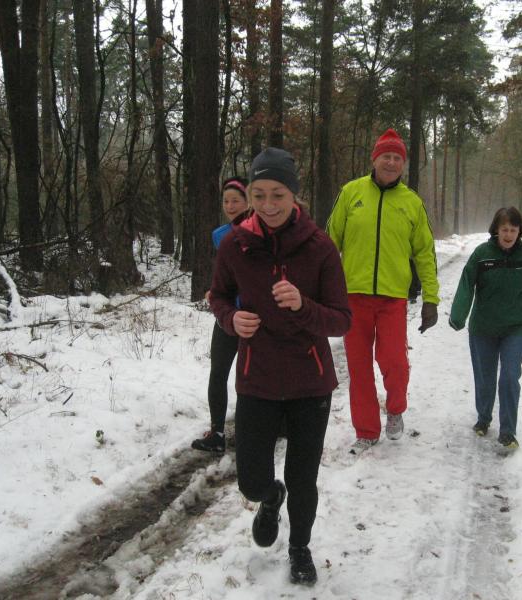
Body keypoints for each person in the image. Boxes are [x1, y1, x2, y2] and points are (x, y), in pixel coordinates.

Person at [209, 147, 351, 585]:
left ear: (294, 195)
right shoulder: (235, 244)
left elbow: (341, 319)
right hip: (258, 379)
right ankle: (270, 498)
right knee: (251, 481)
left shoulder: (320, 247)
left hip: (311, 382)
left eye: (278, 195)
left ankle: (300, 548)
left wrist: (303, 306)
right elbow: (217, 295)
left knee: (303, 478)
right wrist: (231, 318)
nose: (268, 205)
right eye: (259, 195)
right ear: (249, 195)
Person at [326, 128, 439, 453]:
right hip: (353, 297)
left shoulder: (411, 203)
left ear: (403, 164)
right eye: (385, 156)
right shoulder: (351, 193)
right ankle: (366, 430)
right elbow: (329, 242)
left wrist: (431, 298)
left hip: (392, 299)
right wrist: (322, 285)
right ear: (374, 159)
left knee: (394, 362)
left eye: (397, 158)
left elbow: (425, 253)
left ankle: (396, 408)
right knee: (359, 368)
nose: (391, 162)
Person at [448, 206, 522, 450]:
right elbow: (467, 284)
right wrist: (458, 315)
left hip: (516, 328)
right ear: (496, 230)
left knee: (510, 376)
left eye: (513, 229)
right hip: (483, 327)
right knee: (485, 378)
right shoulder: (482, 254)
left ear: (520, 231)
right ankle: (483, 418)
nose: (509, 234)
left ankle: (508, 432)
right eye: (504, 229)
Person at [192, 176, 250, 454]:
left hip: (252, 317)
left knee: (251, 377)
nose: (230, 205)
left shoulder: (259, 231)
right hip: (226, 317)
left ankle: (260, 428)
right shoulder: (220, 235)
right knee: (218, 373)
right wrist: (214, 292)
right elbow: (223, 274)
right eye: (226, 201)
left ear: (248, 202)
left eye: (236, 200)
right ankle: (216, 432)